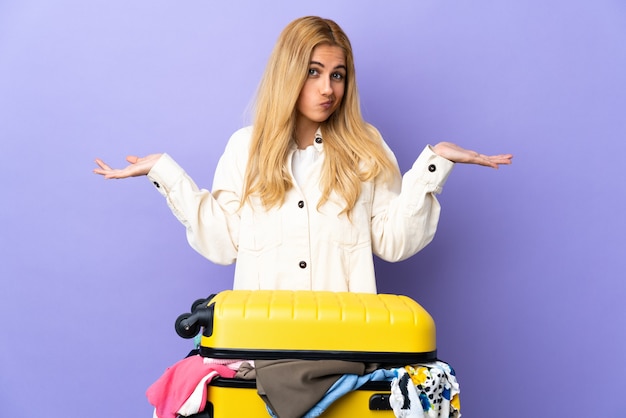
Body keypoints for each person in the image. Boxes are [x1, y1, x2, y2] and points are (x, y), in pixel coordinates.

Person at [93, 16, 512, 294]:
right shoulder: (246, 148)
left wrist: (435, 163)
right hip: (265, 349)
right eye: (313, 72)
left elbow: (394, 242)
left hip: (345, 350)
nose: (327, 88)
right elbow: (222, 242)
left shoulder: (366, 148)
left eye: (337, 75)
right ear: (289, 72)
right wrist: (165, 172)